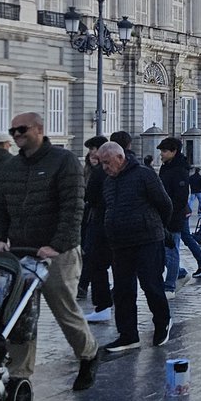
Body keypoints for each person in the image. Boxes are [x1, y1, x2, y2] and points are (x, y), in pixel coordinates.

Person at [0, 112, 98, 392]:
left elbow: (73, 207)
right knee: (20, 314)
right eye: (12, 130)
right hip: (21, 251)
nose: (16, 135)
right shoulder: (11, 166)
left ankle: (88, 354)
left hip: (58, 253)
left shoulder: (64, 161)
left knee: (64, 309)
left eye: (21, 129)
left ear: (38, 129)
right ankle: (19, 373)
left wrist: (57, 245)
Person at [98, 142, 172, 352]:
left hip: (147, 239)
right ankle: (128, 335)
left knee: (151, 285)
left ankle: (163, 322)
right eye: (102, 163)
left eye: (107, 162)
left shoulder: (144, 175)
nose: (104, 167)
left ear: (120, 158)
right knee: (122, 290)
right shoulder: (108, 182)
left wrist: (155, 226)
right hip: (120, 243)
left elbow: (165, 204)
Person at [158, 138, 201, 286]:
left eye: (164, 151)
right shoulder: (165, 167)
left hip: (175, 215)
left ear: (174, 151)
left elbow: (180, 197)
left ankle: (170, 285)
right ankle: (181, 272)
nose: (161, 154)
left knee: (172, 248)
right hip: (167, 214)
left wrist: (169, 214)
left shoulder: (179, 169)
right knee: (170, 246)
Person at [79, 136, 113, 323]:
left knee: (96, 263)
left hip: (100, 222)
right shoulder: (104, 169)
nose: (91, 152)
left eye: (93, 148)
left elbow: (90, 196)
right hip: (106, 222)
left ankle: (103, 305)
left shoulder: (100, 172)